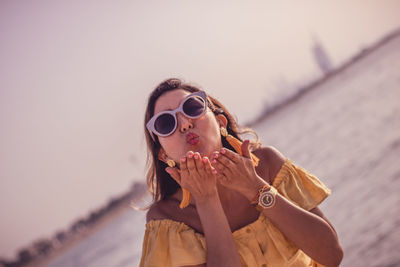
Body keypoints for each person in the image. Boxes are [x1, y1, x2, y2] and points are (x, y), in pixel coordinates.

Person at [138, 78, 343, 267]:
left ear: (220, 123)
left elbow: (332, 255)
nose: (185, 124)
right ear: (163, 155)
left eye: (192, 107)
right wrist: (206, 200)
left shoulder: (267, 165)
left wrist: (256, 188)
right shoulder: (167, 220)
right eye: (166, 123)